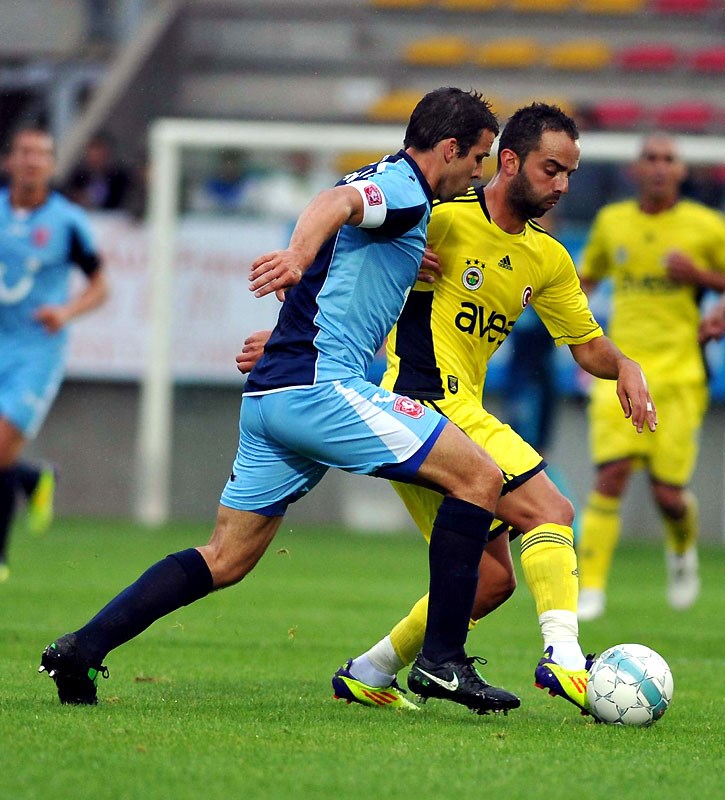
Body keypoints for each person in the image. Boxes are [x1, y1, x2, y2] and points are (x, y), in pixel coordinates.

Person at [40, 87, 524, 715]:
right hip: (322, 391)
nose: (478, 175)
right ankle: (442, 661)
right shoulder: (401, 185)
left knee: (226, 556)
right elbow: (334, 202)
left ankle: (80, 648)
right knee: (480, 477)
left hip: (275, 393)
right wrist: (295, 255)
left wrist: (284, 336)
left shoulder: (402, 202)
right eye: (478, 159)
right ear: (450, 148)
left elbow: (342, 275)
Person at [238, 104, 657, 717]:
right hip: (421, 397)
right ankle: (565, 660)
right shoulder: (440, 214)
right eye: (550, 169)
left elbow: (586, 343)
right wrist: (286, 343)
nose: (562, 184)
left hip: (448, 415)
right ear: (508, 161)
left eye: (570, 172)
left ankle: (369, 671)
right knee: (552, 508)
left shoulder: (549, 258)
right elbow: (349, 256)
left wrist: (624, 365)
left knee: (491, 582)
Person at [576, 133, 725, 621]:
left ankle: (682, 553)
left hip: (681, 373)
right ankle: (591, 587)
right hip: (621, 367)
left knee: (668, 495)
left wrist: (704, 284)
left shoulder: (705, 227)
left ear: (682, 172)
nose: (659, 167)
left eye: (669, 160)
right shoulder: (612, 222)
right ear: (635, 170)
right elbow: (584, 279)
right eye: (650, 159)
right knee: (611, 475)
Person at [0, 128, 109, 581]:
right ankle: (32, 478)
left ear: (51, 164)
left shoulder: (67, 222)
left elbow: (100, 287)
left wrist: (66, 312)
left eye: (42, 154)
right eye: (25, 152)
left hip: (36, 352)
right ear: (10, 159)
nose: (32, 161)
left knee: (0, 447)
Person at [64, 131, 132, 211]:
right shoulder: (78, 176)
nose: (96, 158)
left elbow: (123, 202)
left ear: (108, 154)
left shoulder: (120, 178)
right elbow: (69, 199)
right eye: (92, 154)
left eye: (100, 153)